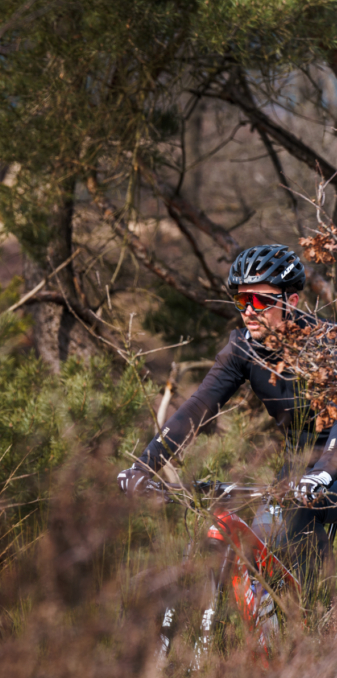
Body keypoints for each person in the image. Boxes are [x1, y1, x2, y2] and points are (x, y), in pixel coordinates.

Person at [118, 244, 337, 574]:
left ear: (291, 301)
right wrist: (143, 465)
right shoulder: (242, 349)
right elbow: (197, 408)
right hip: (298, 469)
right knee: (267, 549)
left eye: (262, 300)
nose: (250, 310)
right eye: (242, 300)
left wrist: (325, 472)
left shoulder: (328, 343)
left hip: (332, 461)